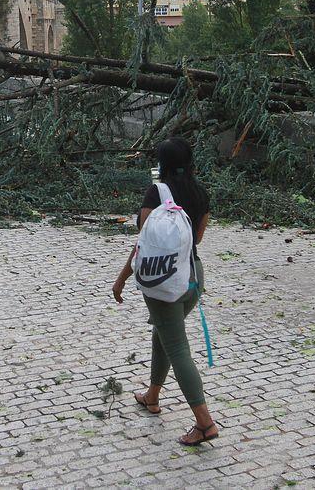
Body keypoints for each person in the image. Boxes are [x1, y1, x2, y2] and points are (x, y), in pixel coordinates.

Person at [112, 137, 219, 446]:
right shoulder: (201, 193)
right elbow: (197, 240)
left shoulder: (156, 192)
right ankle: (152, 396)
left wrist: (120, 280)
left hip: (165, 282)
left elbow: (145, 245)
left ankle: (205, 423)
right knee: (164, 334)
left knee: (178, 348)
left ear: (162, 164)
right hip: (193, 277)